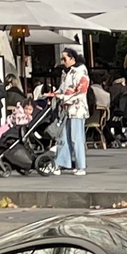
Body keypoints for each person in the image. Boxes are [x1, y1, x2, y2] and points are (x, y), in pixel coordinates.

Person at [49, 47, 89, 175]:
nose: (63, 61)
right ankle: (62, 163)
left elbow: (81, 91)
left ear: (72, 58)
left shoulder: (81, 71)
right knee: (64, 137)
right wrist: (53, 94)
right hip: (66, 110)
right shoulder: (66, 72)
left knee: (76, 138)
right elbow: (62, 88)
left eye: (64, 58)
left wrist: (64, 97)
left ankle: (80, 165)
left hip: (77, 110)